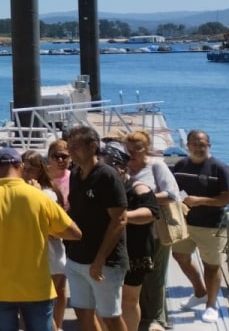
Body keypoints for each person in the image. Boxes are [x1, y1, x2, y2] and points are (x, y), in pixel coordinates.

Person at [0, 148, 80, 331]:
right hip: (36, 286)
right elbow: (74, 233)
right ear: (20, 166)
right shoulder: (40, 197)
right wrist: (43, 227)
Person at [63, 125, 128, 331]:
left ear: (93, 146)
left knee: (110, 316)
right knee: (82, 312)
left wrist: (100, 259)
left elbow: (119, 220)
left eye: (75, 147)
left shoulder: (107, 176)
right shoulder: (74, 174)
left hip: (104, 262)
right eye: (69, 147)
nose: (70, 152)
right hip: (76, 257)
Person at [170, 129, 229, 324]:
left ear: (209, 146)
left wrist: (199, 201)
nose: (198, 147)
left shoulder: (218, 168)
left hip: (211, 226)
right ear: (187, 146)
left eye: (202, 144)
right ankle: (199, 291)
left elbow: (226, 198)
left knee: (212, 267)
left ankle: (211, 306)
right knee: (179, 256)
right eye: (194, 144)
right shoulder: (180, 165)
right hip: (184, 224)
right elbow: (172, 190)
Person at [98, 142, 159, 331]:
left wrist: (124, 217)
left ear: (121, 168)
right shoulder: (101, 188)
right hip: (108, 249)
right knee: (104, 299)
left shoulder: (139, 189)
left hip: (135, 250)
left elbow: (150, 213)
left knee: (129, 299)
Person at [123, 130, 179, 331]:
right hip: (130, 232)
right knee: (134, 277)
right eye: (129, 149)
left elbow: (172, 194)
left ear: (146, 148)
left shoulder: (156, 166)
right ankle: (138, 318)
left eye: (137, 148)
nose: (133, 152)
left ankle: (156, 319)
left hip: (155, 230)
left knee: (155, 276)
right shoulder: (124, 167)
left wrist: (145, 199)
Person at [21, 150, 69, 331]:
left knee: (40, 314)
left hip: (48, 258)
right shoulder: (26, 191)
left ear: (40, 171)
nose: (25, 173)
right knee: (39, 312)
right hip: (41, 258)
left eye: (30, 170)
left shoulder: (46, 194)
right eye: (23, 168)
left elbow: (52, 226)